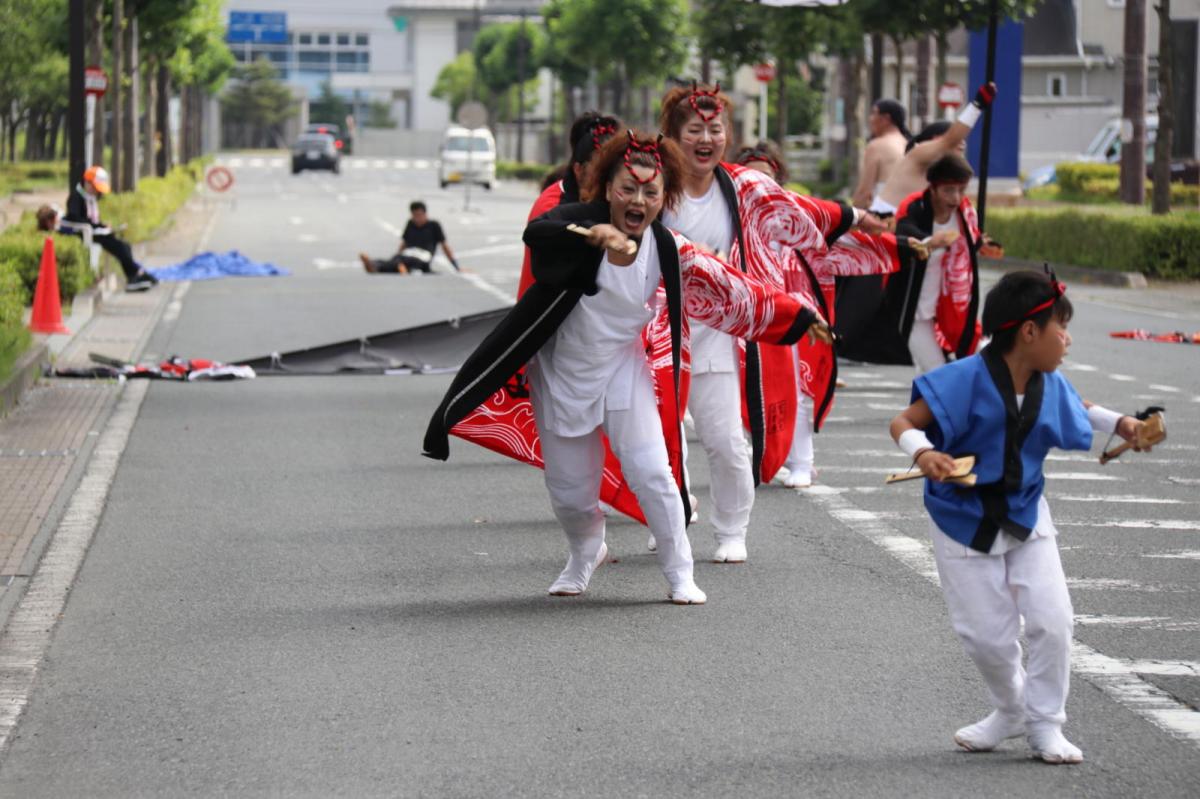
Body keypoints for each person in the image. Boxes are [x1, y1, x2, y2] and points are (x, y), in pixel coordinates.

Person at [423, 130, 831, 605]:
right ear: (607, 189)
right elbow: (538, 233)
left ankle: (680, 572)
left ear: (665, 198)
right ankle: (584, 552)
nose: (638, 200)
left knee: (654, 472)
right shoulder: (578, 224)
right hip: (561, 374)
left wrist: (801, 316)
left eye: (650, 192)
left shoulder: (667, 248)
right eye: (627, 189)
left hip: (623, 370)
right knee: (571, 493)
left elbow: (736, 288)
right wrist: (593, 235)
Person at [889, 269, 1151, 765]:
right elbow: (903, 422)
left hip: (1026, 511)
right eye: (1061, 328)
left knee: (1054, 621)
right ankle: (1010, 708)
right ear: (1028, 332)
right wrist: (924, 454)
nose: (1067, 339)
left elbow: (1081, 405)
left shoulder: (1049, 384)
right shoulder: (963, 377)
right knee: (986, 635)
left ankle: (1046, 723)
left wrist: (1122, 423)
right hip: (962, 515)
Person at [658, 83, 888, 562]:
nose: (706, 138)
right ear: (673, 136)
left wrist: (857, 216)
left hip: (718, 338)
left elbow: (802, 209)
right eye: (694, 129)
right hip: (657, 337)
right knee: (656, 447)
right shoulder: (654, 186)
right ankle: (667, 518)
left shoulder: (744, 187)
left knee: (724, 442)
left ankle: (730, 530)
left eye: (715, 129)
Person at [517, 112, 621, 296]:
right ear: (579, 170)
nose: (608, 179)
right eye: (601, 171)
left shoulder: (620, 207)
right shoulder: (552, 207)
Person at [871, 82, 996, 217]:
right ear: (936, 139)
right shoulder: (918, 154)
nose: (962, 145)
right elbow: (950, 141)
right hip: (881, 226)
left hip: (909, 231)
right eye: (958, 142)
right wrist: (977, 106)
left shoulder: (946, 175)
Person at [63, 165, 159, 292]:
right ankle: (136, 274)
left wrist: (102, 226)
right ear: (87, 182)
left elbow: (93, 220)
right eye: (95, 188)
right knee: (119, 247)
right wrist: (97, 226)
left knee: (125, 246)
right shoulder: (76, 197)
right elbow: (74, 217)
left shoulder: (90, 198)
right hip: (85, 233)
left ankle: (134, 275)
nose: (97, 192)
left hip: (97, 233)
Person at [359, 201, 459, 274]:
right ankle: (373, 264)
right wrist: (398, 255)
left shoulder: (434, 225)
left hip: (422, 256)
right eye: (414, 215)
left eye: (419, 215)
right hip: (407, 253)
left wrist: (456, 266)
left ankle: (395, 267)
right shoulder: (410, 224)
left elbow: (444, 246)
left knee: (409, 263)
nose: (417, 218)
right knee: (391, 261)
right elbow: (404, 243)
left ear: (425, 214)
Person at [852, 99, 910, 210]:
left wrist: (852, 219)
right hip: (907, 214)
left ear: (886, 119)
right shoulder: (908, 144)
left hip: (884, 214)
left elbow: (864, 191)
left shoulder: (877, 146)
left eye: (874, 113)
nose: (870, 119)